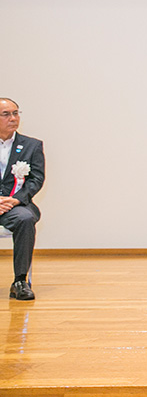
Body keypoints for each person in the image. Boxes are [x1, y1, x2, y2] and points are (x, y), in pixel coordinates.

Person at [0, 98, 45, 301]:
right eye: (6, 114)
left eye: (16, 113)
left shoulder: (31, 145)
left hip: (14, 206)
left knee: (26, 219)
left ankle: (20, 281)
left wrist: (16, 200)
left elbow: (36, 179)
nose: (13, 118)